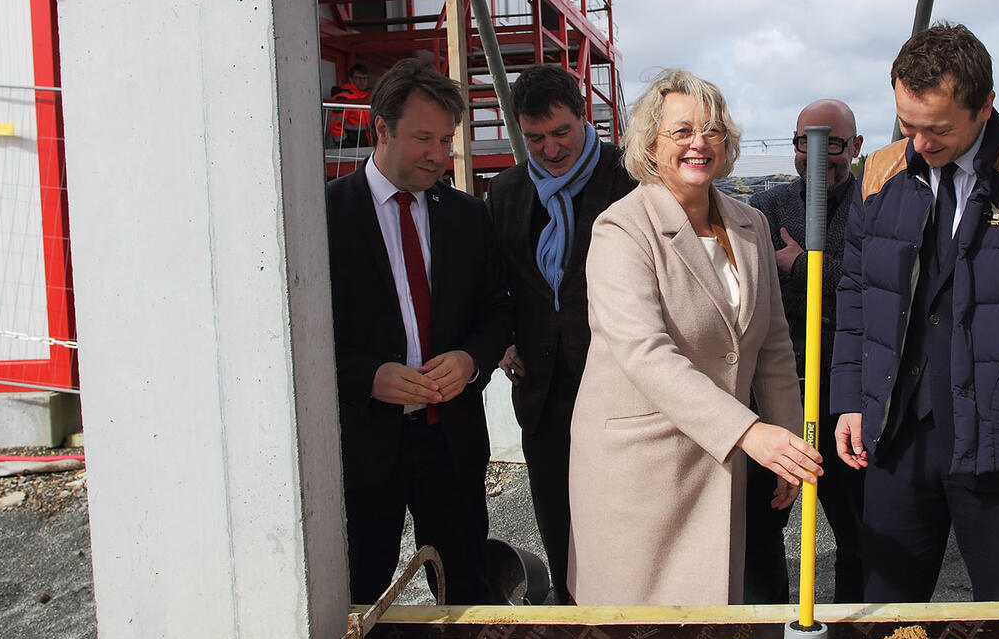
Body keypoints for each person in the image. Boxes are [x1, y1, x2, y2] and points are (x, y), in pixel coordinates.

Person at [831, 23, 999, 603]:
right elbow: (855, 299)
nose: (920, 143)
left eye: (938, 129)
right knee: (886, 619)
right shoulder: (876, 176)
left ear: (985, 106)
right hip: (897, 436)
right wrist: (851, 400)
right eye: (907, 125)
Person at [567, 69, 819, 605]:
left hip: (729, 460)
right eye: (680, 132)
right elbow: (645, 353)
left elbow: (773, 345)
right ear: (649, 147)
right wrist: (752, 433)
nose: (698, 143)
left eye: (711, 130)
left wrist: (788, 442)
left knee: (732, 625)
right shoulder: (621, 229)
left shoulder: (749, 224)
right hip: (645, 470)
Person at [325, 58, 511, 605]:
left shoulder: (467, 216)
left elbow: (498, 312)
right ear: (381, 128)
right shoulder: (323, 216)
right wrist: (366, 377)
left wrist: (471, 361)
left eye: (446, 139)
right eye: (422, 138)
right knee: (357, 592)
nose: (438, 154)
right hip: (362, 443)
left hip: (449, 439)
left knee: (465, 588)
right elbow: (292, 335)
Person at [486, 66, 635, 602]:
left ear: (584, 116)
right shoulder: (504, 191)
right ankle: (572, 614)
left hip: (622, 383)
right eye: (534, 139)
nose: (549, 150)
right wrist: (501, 341)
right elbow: (496, 282)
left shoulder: (633, 177)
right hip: (542, 386)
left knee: (623, 510)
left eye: (561, 133)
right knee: (555, 508)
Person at [744, 99, 867, 603]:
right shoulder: (768, 210)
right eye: (804, 142)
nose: (817, 155)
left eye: (832, 143)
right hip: (778, 392)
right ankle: (765, 629)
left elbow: (873, 293)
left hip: (846, 397)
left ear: (856, 147)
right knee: (760, 526)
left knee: (858, 529)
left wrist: (799, 265)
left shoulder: (874, 207)